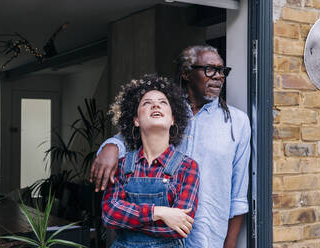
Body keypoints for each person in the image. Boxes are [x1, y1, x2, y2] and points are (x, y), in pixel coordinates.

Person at [93, 45, 251, 248]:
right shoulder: (166, 114)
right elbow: (131, 138)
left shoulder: (237, 123)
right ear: (186, 73)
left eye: (222, 71)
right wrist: (111, 146)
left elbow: (237, 197)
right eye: (210, 69)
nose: (219, 77)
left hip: (207, 239)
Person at [102, 75, 200, 248]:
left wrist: (129, 219)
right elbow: (110, 215)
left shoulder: (187, 167)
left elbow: (179, 228)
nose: (155, 105)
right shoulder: (122, 165)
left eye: (163, 102)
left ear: (172, 119)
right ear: (136, 120)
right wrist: (159, 212)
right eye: (147, 103)